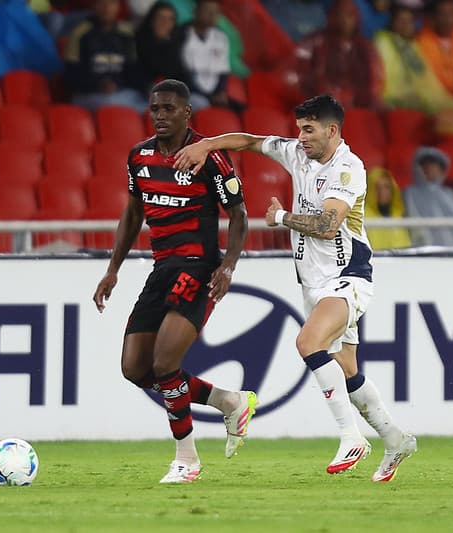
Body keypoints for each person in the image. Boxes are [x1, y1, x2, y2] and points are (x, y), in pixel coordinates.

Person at [174, 94, 417, 482]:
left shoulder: (348, 168)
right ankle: (396, 439)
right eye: (299, 129)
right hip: (313, 283)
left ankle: (350, 437)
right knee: (347, 371)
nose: (300, 137)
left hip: (348, 276)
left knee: (308, 343)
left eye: (308, 130)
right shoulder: (297, 154)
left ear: (332, 131)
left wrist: (282, 217)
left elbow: (328, 225)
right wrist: (207, 145)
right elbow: (249, 140)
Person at [92, 79, 256, 484]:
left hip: (199, 269)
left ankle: (187, 460)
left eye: (168, 108)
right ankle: (228, 401)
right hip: (161, 269)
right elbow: (133, 214)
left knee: (165, 363)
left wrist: (228, 266)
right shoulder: (140, 157)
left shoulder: (208, 157)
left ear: (186, 112)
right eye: (155, 109)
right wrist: (112, 269)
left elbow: (239, 215)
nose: (160, 116)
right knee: (135, 368)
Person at [374, 4, 453, 138]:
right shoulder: (383, 42)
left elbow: (427, 80)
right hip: (397, 98)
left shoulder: (414, 46)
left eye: (409, 21)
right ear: (392, 23)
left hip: (426, 98)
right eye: (401, 21)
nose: (406, 26)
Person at [290, 0, 384, 109]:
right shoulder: (314, 41)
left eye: (349, 16)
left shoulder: (366, 48)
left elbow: (375, 82)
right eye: (340, 15)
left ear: (356, 19)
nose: (344, 20)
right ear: (331, 16)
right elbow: (295, 72)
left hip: (357, 109)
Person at [64, 0, 146, 111]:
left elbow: (133, 70)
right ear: (94, 5)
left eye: (112, 3)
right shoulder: (79, 34)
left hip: (121, 93)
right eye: (101, 3)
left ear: (118, 6)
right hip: (88, 94)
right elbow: (70, 76)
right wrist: (98, 86)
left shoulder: (127, 34)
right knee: (111, 103)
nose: (107, 7)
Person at [402, 147, 453, 247]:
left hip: (452, 251)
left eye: (434, 166)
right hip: (421, 252)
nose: (430, 169)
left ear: (441, 170)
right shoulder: (409, 194)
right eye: (425, 165)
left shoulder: (449, 194)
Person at [180, 0, 232, 110]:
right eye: (208, 11)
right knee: (201, 104)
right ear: (196, 12)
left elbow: (223, 70)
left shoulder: (221, 36)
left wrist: (221, 91)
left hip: (213, 93)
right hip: (188, 92)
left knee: (240, 109)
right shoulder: (180, 34)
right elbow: (180, 72)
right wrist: (207, 96)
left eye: (216, 12)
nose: (212, 15)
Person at [135, 1, 192, 97]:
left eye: (170, 19)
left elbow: (184, 77)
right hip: (142, 94)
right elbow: (135, 74)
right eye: (161, 18)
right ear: (151, 21)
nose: (165, 23)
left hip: (174, 95)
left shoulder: (179, 44)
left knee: (198, 102)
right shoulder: (137, 41)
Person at [365, 167, 411, 250]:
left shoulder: (399, 214)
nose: (382, 192)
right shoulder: (363, 216)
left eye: (386, 187)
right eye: (377, 187)